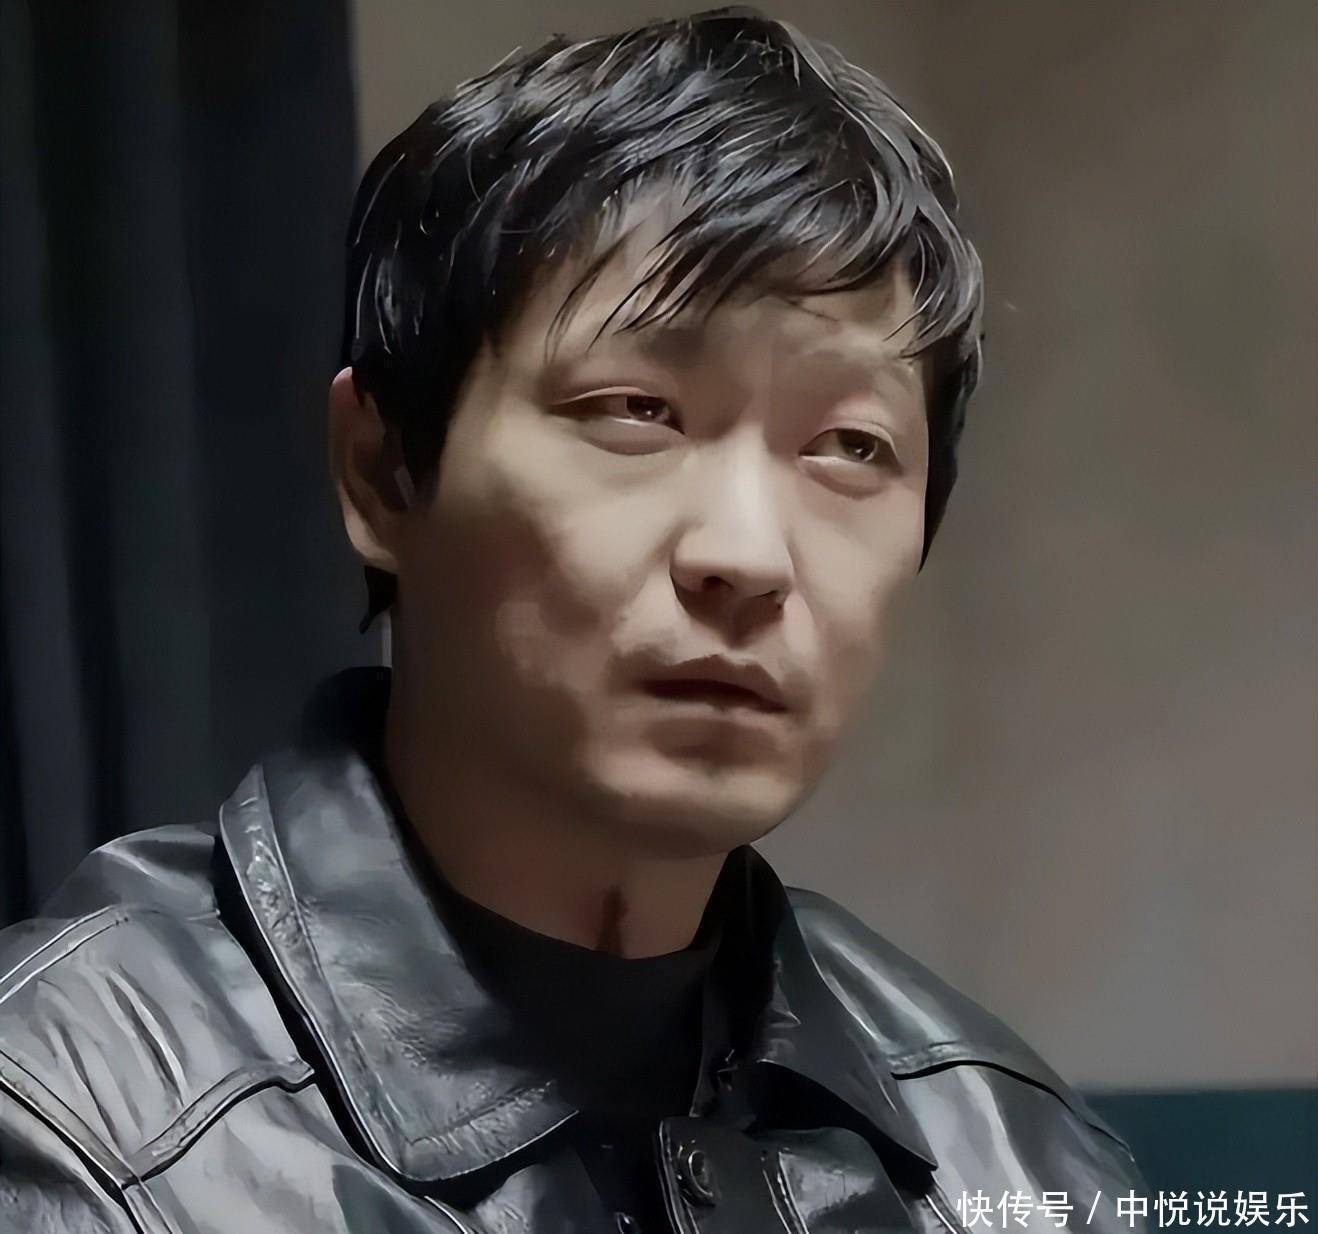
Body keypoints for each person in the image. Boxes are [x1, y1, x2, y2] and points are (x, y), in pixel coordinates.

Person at [0, 9, 1147, 1232]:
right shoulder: (72, 1116)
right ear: (382, 472)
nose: (746, 555)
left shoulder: (1015, 1159)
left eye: (849, 446)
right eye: (635, 411)